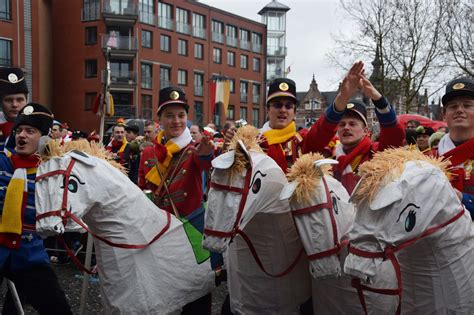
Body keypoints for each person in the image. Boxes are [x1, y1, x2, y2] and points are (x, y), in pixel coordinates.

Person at [140, 86, 219, 314]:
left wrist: (206, 153)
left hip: (190, 232)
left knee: (197, 295)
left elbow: (206, 166)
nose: (176, 121)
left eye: (181, 115)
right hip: (159, 232)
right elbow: (143, 188)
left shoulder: (194, 149)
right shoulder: (148, 153)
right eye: (169, 115)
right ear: (159, 119)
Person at [0, 103, 72, 314]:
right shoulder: (3, 161)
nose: (22, 135)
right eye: (19, 130)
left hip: (30, 255)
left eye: (30, 131)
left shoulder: (53, 172)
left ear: (44, 139)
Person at [225, 78, 342, 174]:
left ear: (294, 113)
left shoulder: (301, 140)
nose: (283, 110)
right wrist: (229, 147)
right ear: (267, 111)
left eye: (288, 106)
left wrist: (342, 100)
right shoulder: (252, 141)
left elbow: (322, 130)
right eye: (277, 105)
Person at [330, 61, 405, 194]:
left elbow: (395, 135)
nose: (346, 128)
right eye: (342, 124)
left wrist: (377, 98)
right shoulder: (330, 160)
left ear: (366, 131)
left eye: (352, 124)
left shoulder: (377, 153)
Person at [436, 77, 474, 217]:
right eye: (453, 106)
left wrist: (463, 199)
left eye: (467, 105)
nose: (459, 110)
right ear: (444, 115)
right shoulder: (426, 159)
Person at [0, 67, 29, 152]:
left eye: (19, 100)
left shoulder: (39, 126)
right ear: (1, 102)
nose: (14, 105)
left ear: (26, 101)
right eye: (8, 100)